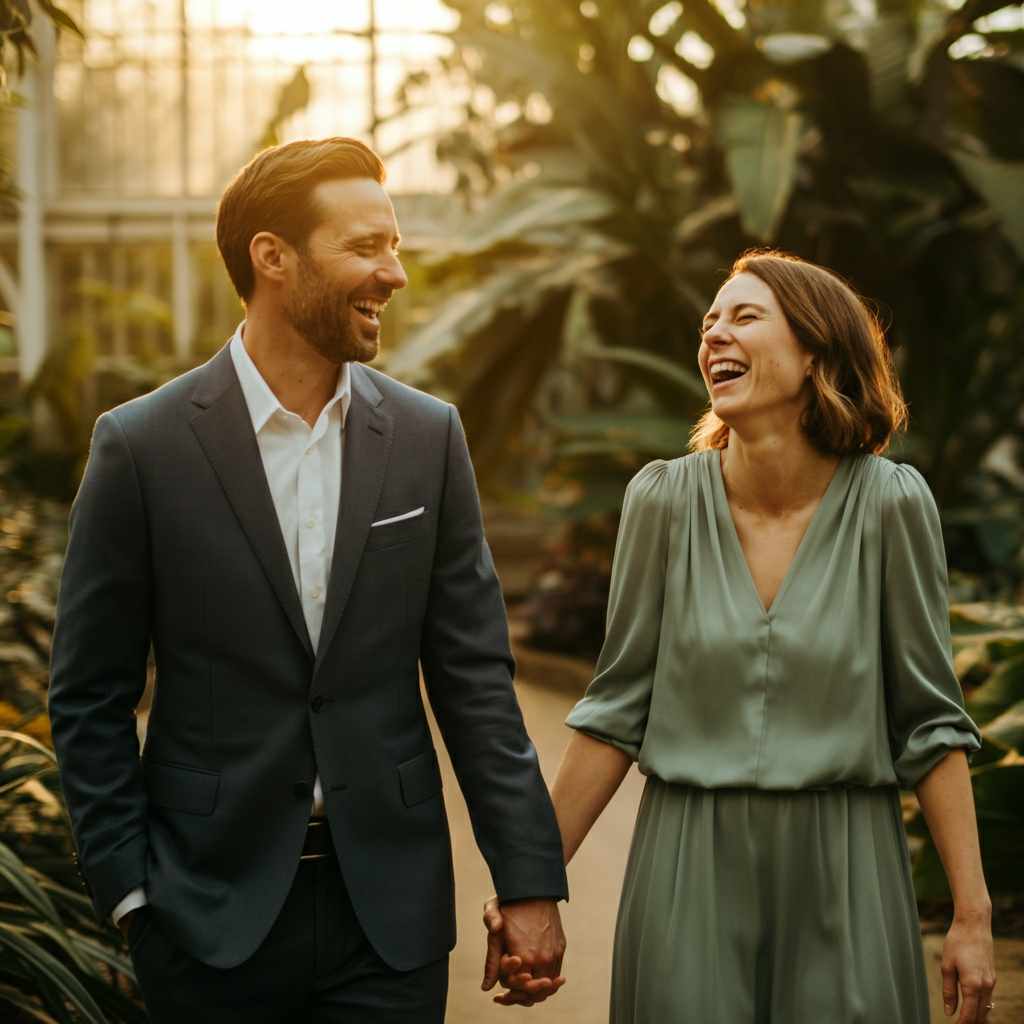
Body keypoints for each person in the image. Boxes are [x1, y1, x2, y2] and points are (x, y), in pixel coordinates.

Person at [48, 137, 568, 1023]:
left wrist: (528, 882)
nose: (394, 274)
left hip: (388, 923)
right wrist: (131, 898)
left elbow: (476, 681)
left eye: (394, 245)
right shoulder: (140, 446)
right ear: (272, 257)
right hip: (205, 918)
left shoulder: (426, 438)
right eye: (367, 247)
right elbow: (88, 695)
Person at [484, 251, 997, 1022]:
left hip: (848, 871)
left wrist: (972, 918)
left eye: (744, 316)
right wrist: (531, 888)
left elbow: (929, 721)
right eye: (708, 323)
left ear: (815, 351)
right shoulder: (662, 501)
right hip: (687, 869)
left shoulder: (893, 505)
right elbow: (616, 710)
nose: (715, 334)